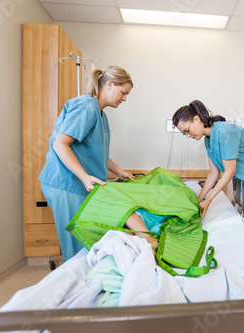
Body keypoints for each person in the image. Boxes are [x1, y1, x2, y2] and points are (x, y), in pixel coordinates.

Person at [39, 66, 153, 261]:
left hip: (80, 183)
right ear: (109, 85)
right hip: (65, 183)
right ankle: (76, 284)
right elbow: (61, 144)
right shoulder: (86, 106)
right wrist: (84, 177)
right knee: (77, 242)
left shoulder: (101, 114)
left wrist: (119, 171)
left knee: (87, 238)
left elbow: (96, 151)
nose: (124, 98)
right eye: (123, 92)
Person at [172, 100, 244, 238]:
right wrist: (198, 200)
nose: (188, 135)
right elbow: (214, 173)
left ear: (196, 120)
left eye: (187, 130)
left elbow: (230, 171)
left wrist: (208, 200)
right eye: (184, 134)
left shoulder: (224, 132)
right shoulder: (208, 139)